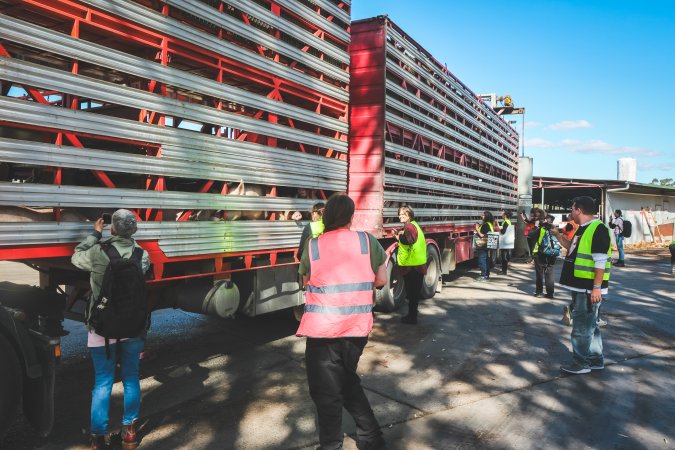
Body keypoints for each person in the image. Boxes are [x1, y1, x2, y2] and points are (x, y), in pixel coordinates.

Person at [297, 194, 388, 450]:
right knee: (346, 381)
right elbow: (380, 280)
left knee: (326, 392)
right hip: (356, 327)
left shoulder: (313, 246)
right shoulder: (366, 241)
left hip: (323, 328)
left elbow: (306, 282)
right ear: (351, 216)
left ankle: (331, 445)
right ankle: (372, 439)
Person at [72, 209, 150, 450]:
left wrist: (95, 235)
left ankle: (97, 438)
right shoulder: (142, 255)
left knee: (103, 383)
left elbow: (76, 257)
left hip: (102, 329)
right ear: (133, 230)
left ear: (112, 228)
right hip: (133, 328)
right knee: (131, 379)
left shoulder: (98, 252)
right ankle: (129, 433)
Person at [551, 196, 611, 375]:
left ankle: (581, 363)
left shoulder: (598, 229)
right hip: (582, 286)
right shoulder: (582, 229)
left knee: (582, 327)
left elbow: (600, 261)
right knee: (591, 326)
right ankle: (595, 360)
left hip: (588, 288)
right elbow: (571, 249)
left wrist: (596, 288)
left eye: (572, 208)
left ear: (579, 210)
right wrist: (558, 235)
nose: (571, 212)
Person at [394, 206, 428, 325]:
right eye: (399, 214)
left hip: (412, 267)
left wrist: (399, 237)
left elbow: (409, 240)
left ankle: (411, 317)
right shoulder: (414, 225)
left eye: (403, 214)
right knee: (414, 295)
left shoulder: (409, 226)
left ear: (409, 216)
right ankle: (412, 316)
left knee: (412, 294)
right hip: (417, 265)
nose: (400, 216)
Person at [529, 213, 557, 299]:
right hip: (552, 253)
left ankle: (539, 292)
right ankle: (550, 293)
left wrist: (536, 226)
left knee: (540, 273)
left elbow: (530, 235)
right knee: (550, 273)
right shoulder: (555, 230)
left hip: (541, 254)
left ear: (545, 221)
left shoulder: (541, 229)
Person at [475, 211, 496, 281]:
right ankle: (486, 275)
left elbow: (482, 235)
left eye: (483, 215)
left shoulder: (486, 225)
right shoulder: (489, 224)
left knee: (482, 260)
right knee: (486, 259)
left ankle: (483, 276)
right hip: (486, 244)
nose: (482, 216)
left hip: (483, 245)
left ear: (486, 217)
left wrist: (477, 228)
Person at [498, 210, 514, 275]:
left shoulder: (506, 222)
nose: (501, 215)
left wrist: (498, 227)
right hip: (506, 241)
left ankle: (504, 271)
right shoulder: (508, 221)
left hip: (504, 241)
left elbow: (503, 231)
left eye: (502, 214)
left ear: (505, 215)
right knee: (505, 256)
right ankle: (504, 270)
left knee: (504, 256)